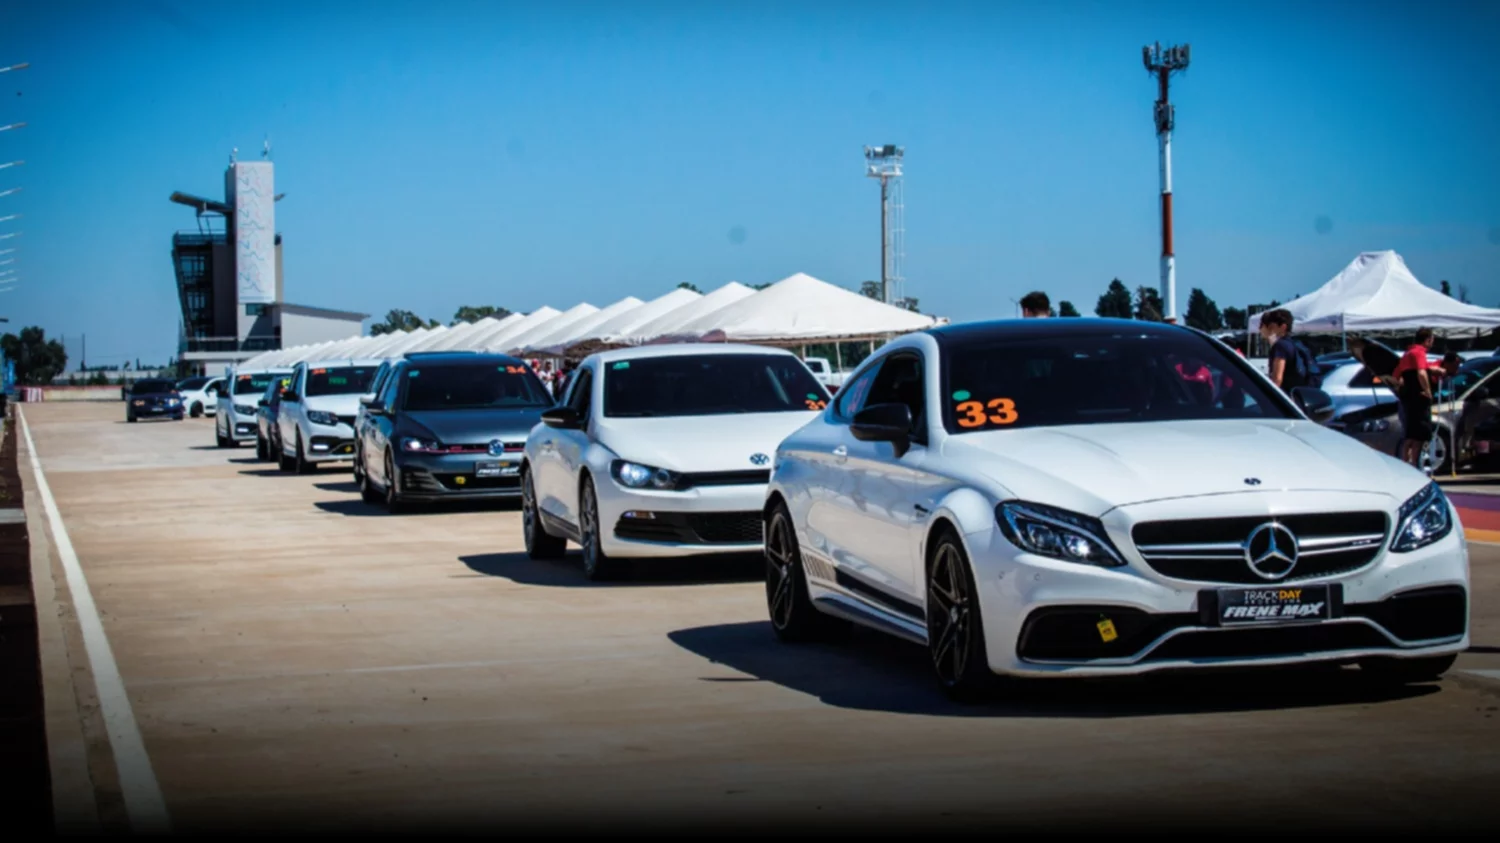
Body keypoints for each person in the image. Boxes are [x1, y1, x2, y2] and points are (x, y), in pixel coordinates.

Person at [1392, 328, 1437, 467]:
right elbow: (1421, 373)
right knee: (1420, 434)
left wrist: (1402, 387)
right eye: (1432, 340)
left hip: (1408, 398)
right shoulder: (1418, 353)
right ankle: (1414, 464)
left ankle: (1405, 463)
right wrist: (1427, 391)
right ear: (1428, 340)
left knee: (1410, 434)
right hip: (1419, 398)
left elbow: (1395, 376)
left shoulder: (1407, 353)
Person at [1258, 308, 1320, 392]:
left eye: (1271, 326)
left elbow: (1277, 379)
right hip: (1299, 394)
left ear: (1283, 327)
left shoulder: (1280, 346)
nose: (1265, 328)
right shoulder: (1293, 343)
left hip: (1287, 396)